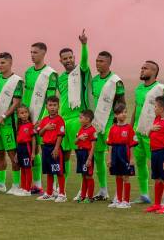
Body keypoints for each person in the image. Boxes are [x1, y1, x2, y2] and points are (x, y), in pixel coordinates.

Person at [90, 42, 125, 201]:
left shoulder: (115, 81)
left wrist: (117, 123)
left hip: (110, 124)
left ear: (109, 63)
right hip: (97, 124)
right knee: (98, 157)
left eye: (101, 61)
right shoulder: (95, 80)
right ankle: (103, 190)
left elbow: (121, 102)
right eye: (97, 61)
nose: (98, 63)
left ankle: (120, 194)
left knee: (117, 158)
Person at [23, 42, 58, 194]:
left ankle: (54, 185)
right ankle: (36, 184)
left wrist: (43, 119)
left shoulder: (50, 74)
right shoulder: (28, 72)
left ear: (44, 53)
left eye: (35, 52)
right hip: (28, 117)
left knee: (46, 149)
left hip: (41, 118)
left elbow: (50, 99)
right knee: (33, 149)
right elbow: (26, 95)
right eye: (31, 52)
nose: (32, 55)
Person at [131, 60, 164, 204]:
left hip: (153, 133)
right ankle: (144, 194)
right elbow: (136, 108)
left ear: (153, 72)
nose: (142, 70)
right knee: (139, 163)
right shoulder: (139, 89)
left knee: (156, 165)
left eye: (145, 68)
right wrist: (130, 126)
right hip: (138, 131)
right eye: (141, 68)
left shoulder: (161, 89)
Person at [57, 31, 90, 180]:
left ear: (74, 58)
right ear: (61, 61)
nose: (68, 60)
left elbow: (84, 61)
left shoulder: (81, 71)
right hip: (64, 120)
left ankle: (83, 188)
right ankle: (61, 188)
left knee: (81, 154)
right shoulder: (60, 78)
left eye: (70, 57)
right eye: (65, 58)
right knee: (63, 155)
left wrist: (84, 44)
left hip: (78, 119)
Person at [0, 52, 23, 194]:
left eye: (3, 63)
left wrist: (3, 116)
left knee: (12, 154)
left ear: (10, 63)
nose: (0, 65)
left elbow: (16, 103)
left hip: (9, 124)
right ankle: (1, 183)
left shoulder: (17, 81)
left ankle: (16, 185)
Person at [146, 95, 164, 214]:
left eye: (156, 106)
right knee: (157, 179)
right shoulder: (157, 119)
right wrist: (151, 129)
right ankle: (157, 204)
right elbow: (149, 135)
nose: (154, 108)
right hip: (155, 152)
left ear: (162, 108)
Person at [106, 102, 137, 208]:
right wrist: (109, 158)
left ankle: (126, 201)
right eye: (120, 113)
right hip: (115, 153)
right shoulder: (112, 128)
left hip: (125, 153)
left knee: (126, 177)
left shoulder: (129, 128)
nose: (123, 114)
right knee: (118, 176)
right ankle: (118, 200)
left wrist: (132, 158)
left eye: (125, 112)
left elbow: (132, 145)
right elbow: (110, 145)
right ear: (115, 115)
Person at [36, 96, 66, 202]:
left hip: (55, 148)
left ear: (58, 106)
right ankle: (49, 193)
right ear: (46, 107)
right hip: (46, 148)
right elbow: (40, 133)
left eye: (55, 105)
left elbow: (60, 135)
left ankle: (62, 194)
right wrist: (45, 128)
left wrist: (57, 148)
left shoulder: (60, 120)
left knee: (58, 171)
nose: (52, 107)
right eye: (50, 105)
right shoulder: (44, 120)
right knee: (49, 171)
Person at [75, 109, 97, 203]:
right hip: (80, 154)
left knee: (88, 176)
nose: (79, 119)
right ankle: (83, 196)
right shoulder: (81, 129)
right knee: (83, 175)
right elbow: (75, 142)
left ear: (87, 119)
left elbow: (93, 147)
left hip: (87, 155)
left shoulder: (92, 130)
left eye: (81, 117)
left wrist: (89, 158)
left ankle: (90, 197)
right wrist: (79, 138)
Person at [14, 105, 36, 196]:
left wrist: (33, 152)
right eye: (22, 113)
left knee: (27, 168)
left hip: (27, 148)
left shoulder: (30, 125)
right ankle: (23, 188)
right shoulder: (19, 126)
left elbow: (34, 139)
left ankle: (28, 190)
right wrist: (16, 153)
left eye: (26, 112)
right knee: (22, 168)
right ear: (18, 115)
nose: (24, 115)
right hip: (20, 148)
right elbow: (18, 140)